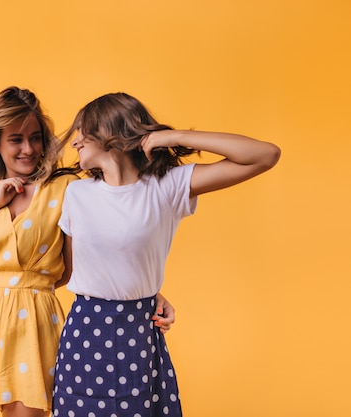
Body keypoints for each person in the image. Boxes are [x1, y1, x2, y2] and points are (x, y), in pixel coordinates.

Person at [0, 87, 177, 417]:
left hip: (36, 323)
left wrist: (148, 290)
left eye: (35, 138)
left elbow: (106, 242)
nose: (28, 149)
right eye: (16, 139)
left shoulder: (66, 191)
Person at [52, 92, 281, 417]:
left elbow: (265, 155)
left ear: (108, 133)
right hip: (85, 329)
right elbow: (71, 270)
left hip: (139, 331)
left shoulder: (166, 186)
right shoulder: (76, 193)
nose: (74, 142)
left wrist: (172, 137)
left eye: (82, 131)